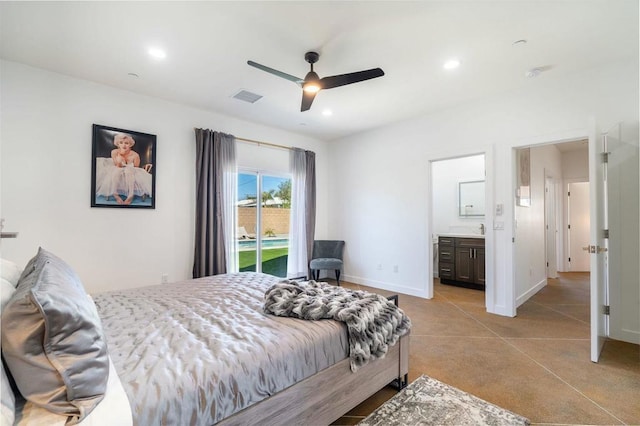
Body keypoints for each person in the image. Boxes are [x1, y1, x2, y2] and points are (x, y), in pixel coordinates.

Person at [95, 133, 152, 205]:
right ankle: (115, 194)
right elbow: (117, 165)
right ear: (118, 144)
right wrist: (120, 158)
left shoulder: (135, 155)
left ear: (130, 144)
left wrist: (127, 166)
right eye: (121, 143)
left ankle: (130, 194)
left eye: (126, 143)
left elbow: (136, 168)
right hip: (118, 169)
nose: (123, 145)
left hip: (131, 172)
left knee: (129, 170)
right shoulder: (114, 152)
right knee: (117, 171)